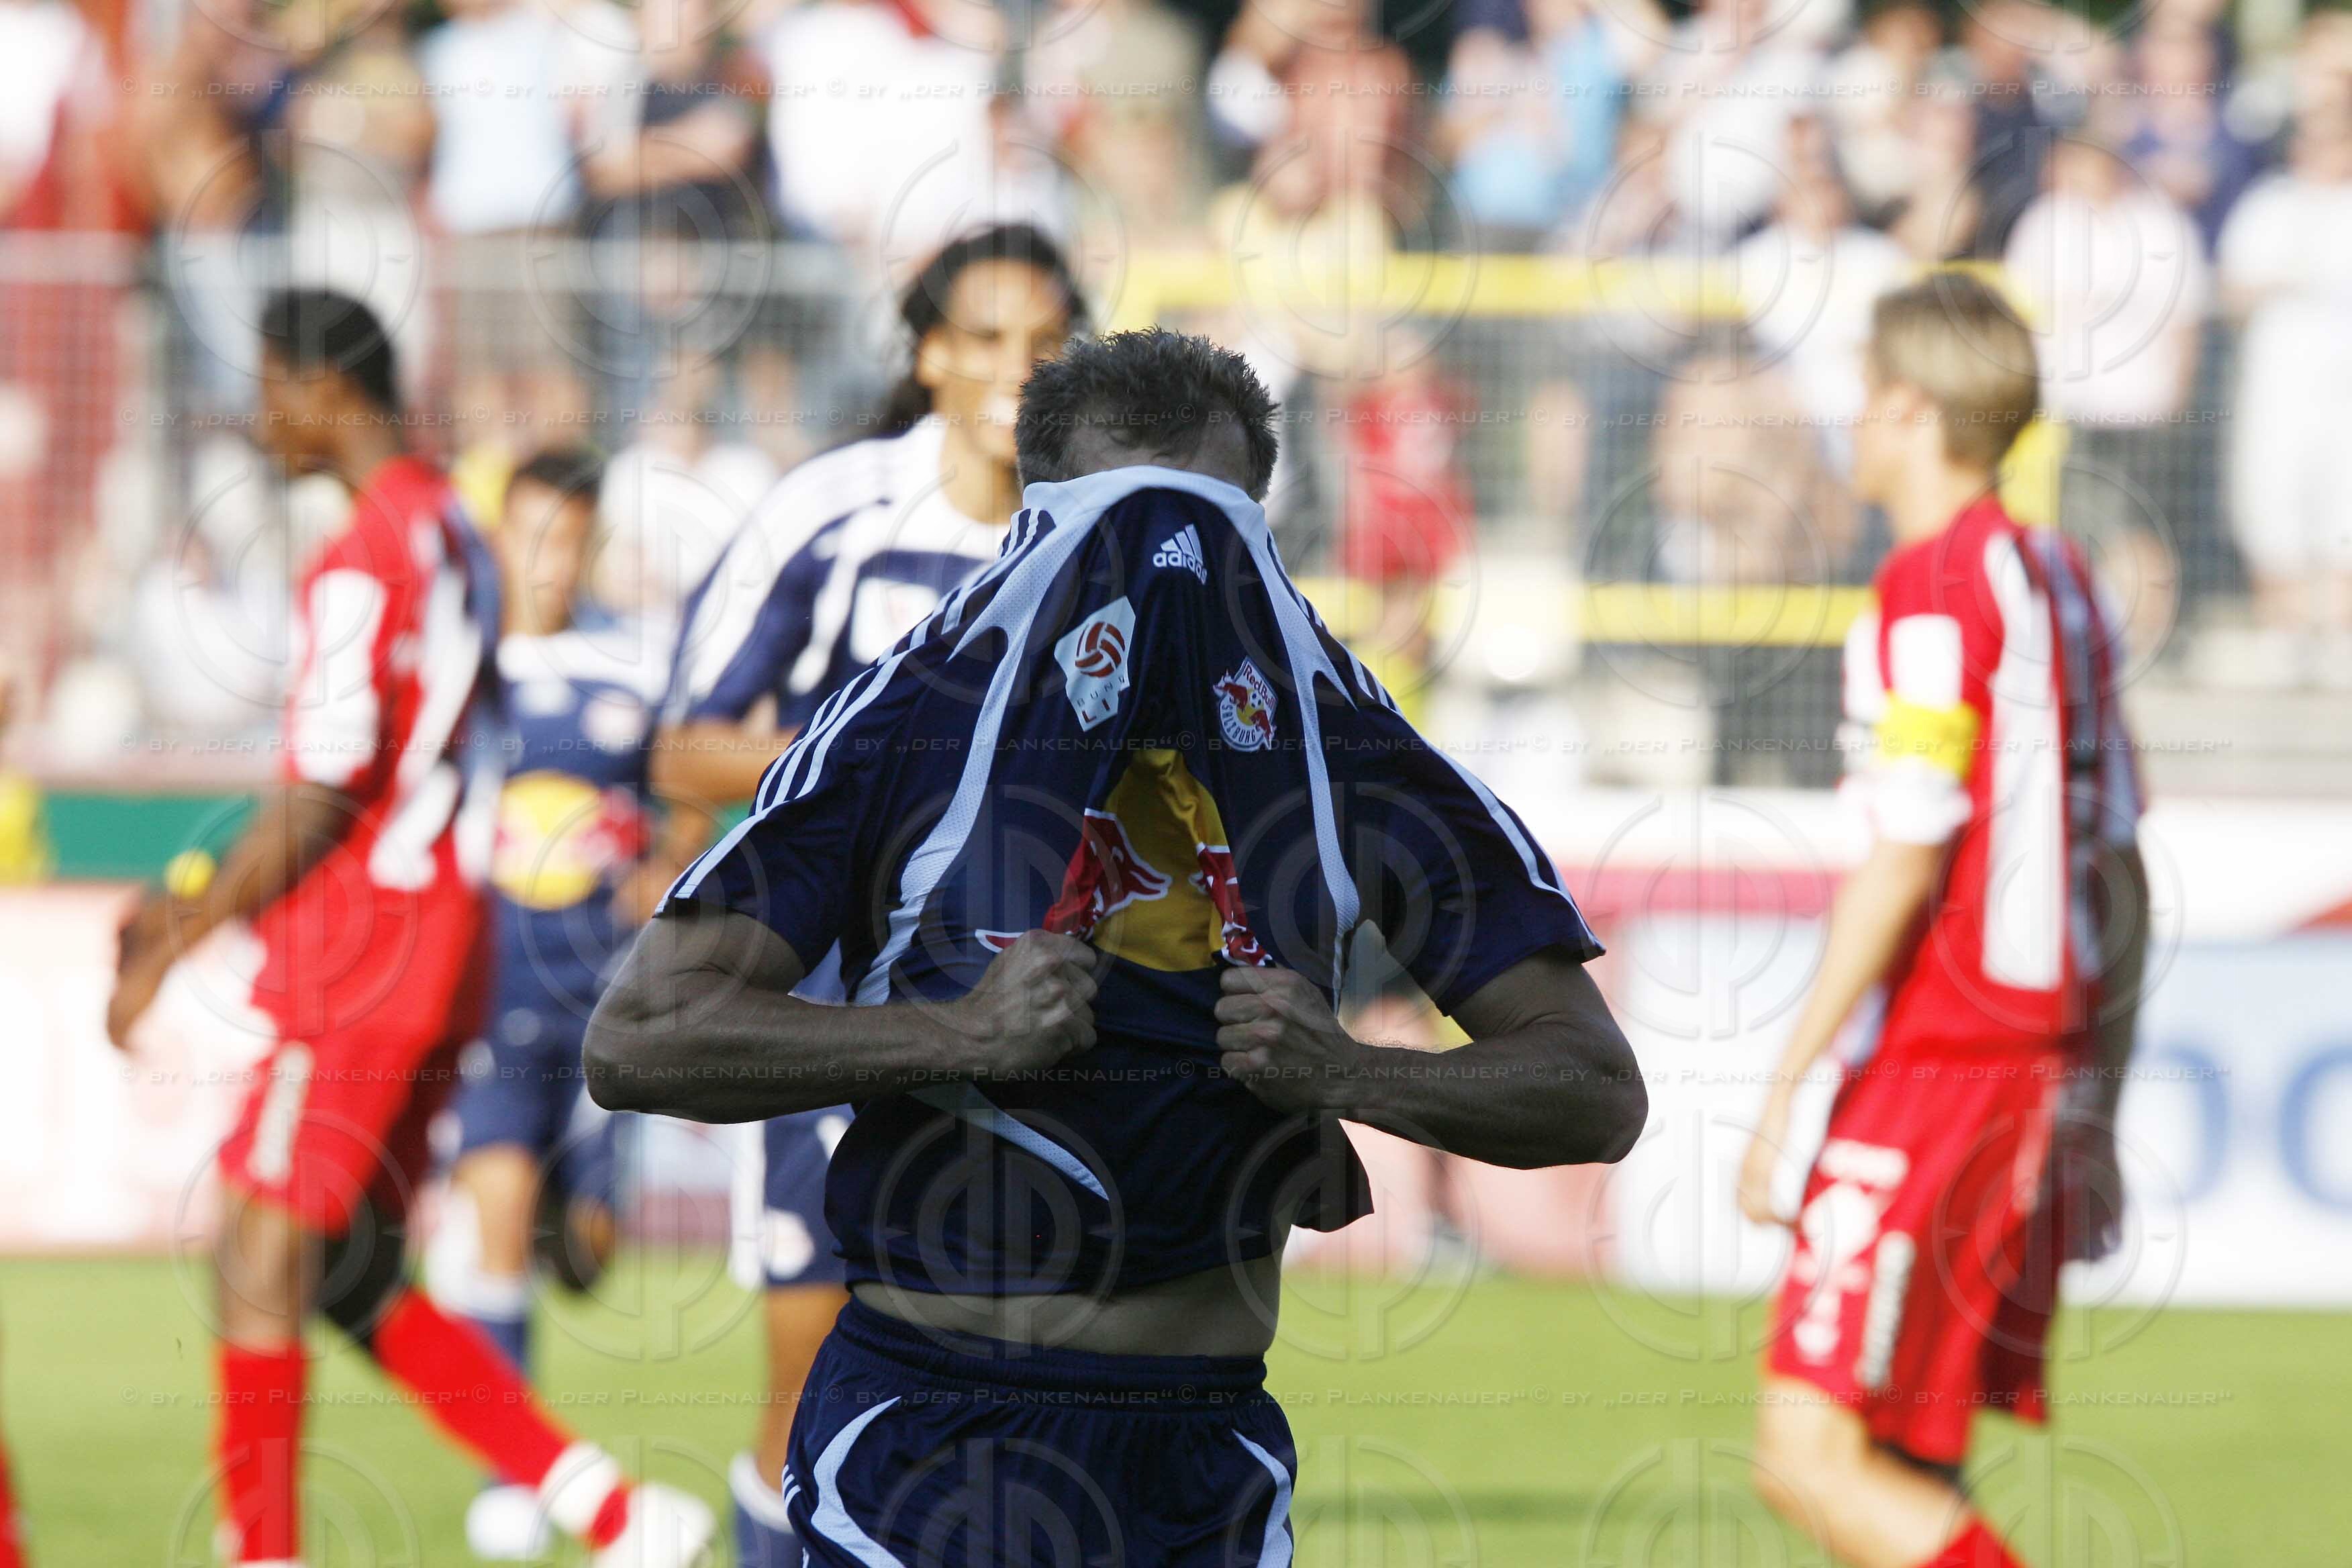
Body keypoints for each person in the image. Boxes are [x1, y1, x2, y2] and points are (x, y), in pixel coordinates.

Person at [586, 327, 1649, 1563]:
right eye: (1115, 535)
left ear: (1258, 528)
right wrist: (954, 1033)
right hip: (932, 1433)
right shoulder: (916, 711)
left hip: (1201, 1458)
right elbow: (639, 1038)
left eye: (1203, 535)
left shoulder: (1342, 739)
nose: (1165, 575)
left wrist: (1353, 1077)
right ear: (1035, 528)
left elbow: (1595, 1089)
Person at [105, 290, 712, 1568]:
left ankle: (260, 1551)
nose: (263, 418)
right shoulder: (449, 528)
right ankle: (608, 1505)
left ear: (326, 387)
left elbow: (327, 784)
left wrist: (180, 934)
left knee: (255, 1249)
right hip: (450, 933)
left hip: (357, 948)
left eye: (271, 388)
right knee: (343, 1266)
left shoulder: (357, 556)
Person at [649, 222, 1084, 1567]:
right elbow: (682, 740)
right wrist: (874, 771)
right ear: (932, 354)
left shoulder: (1107, 537)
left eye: (1050, 347)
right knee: (805, 1390)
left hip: (1031, 1019)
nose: (1021, 371)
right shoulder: (833, 512)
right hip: (832, 1016)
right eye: (991, 340)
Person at [1736, 273, 2149, 1568]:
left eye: (1862, 399)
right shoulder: (2061, 579)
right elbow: (2121, 866)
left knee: (1803, 1457)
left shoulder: (1928, 585)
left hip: (1942, 1061)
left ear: (1910, 408)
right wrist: (2103, 1105)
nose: (1849, 426)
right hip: (2039, 1064)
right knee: (1908, 1452)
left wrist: (1789, 1084)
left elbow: (1908, 851)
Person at [426, 446, 697, 1559]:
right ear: (500, 537)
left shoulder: (631, 664)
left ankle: (562, 1219)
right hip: (489, 988)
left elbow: (684, 796)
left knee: (581, 1258)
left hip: (601, 997)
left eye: (565, 540)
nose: (544, 560)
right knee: (495, 1203)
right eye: (526, 535)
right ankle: (513, 1475)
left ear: (588, 545)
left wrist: (666, 863)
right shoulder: (459, 664)